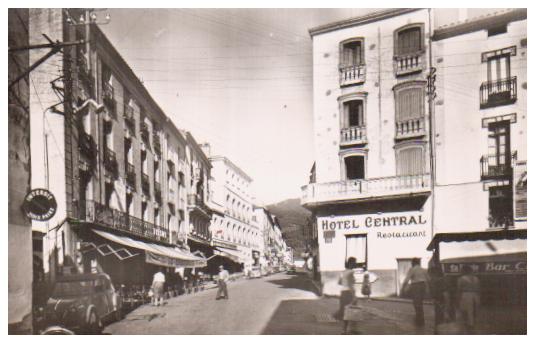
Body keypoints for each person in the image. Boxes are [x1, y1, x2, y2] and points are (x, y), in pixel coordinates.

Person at [401, 258, 430, 327]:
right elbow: (428, 279)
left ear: (413, 263)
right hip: (423, 285)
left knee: (417, 303)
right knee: (420, 303)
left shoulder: (412, 269)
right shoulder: (423, 270)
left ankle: (419, 320)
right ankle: (421, 320)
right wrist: (428, 289)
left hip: (416, 286)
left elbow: (407, 279)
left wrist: (403, 288)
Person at [457, 265, 480, 334]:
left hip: (465, 295)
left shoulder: (461, 279)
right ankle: (472, 325)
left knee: (465, 311)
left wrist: (458, 299)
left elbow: (459, 290)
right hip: (475, 295)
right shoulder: (476, 279)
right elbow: (479, 289)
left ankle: (468, 327)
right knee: (474, 311)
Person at [338, 257, 358, 334]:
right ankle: (353, 329)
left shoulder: (342, 272)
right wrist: (354, 296)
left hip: (343, 293)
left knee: (346, 312)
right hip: (349, 293)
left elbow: (339, 282)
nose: (355, 264)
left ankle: (344, 330)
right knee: (353, 311)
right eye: (354, 262)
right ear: (351, 263)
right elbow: (350, 284)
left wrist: (345, 282)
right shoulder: (351, 272)